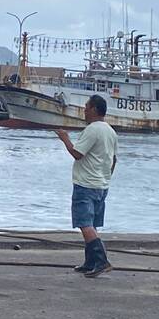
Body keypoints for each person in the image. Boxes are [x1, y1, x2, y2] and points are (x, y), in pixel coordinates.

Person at [55, 94, 118, 278]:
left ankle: (101, 260)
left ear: (94, 110)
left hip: (86, 184)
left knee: (84, 223)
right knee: (92, 224)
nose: (84, 110)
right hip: (101, 184)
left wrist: (65, 138)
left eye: (86, 107)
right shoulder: (110, 131)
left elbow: (77, 153)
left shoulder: (92, 130)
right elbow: (113, 159)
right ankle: (90, 261)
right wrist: (106, 177)